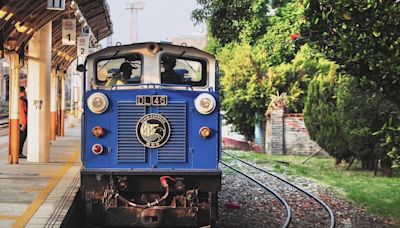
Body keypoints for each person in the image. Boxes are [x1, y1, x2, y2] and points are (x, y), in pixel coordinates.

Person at [19, 86, 27, 159]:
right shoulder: (21, 102)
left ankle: (18, 152)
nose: (25, 93)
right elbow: (22, 113)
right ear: (21, 93)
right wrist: (24, 124)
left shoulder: (19, 101)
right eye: (24, 92)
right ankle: (19, 153)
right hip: (22, 123)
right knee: (21, 138)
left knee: (20, 138)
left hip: (19, 123)